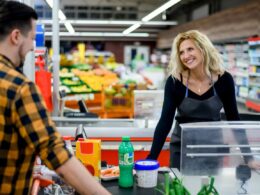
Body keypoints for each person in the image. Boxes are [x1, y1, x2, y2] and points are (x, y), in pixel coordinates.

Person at [0, 1, 110, 194]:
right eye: (32, 39)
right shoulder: (20, 88)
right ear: (16, 36)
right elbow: (55, 153)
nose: (33, 48)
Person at [147, 30, 260, 171]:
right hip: (182, 148)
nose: (185, 56)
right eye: (181, 52)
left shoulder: (224, 80)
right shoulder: (175, 81)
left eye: (190, 49)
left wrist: (248, 157)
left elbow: (234, 120)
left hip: (212, 149)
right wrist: (151, 159)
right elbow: (165, 122)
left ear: (203, 49)